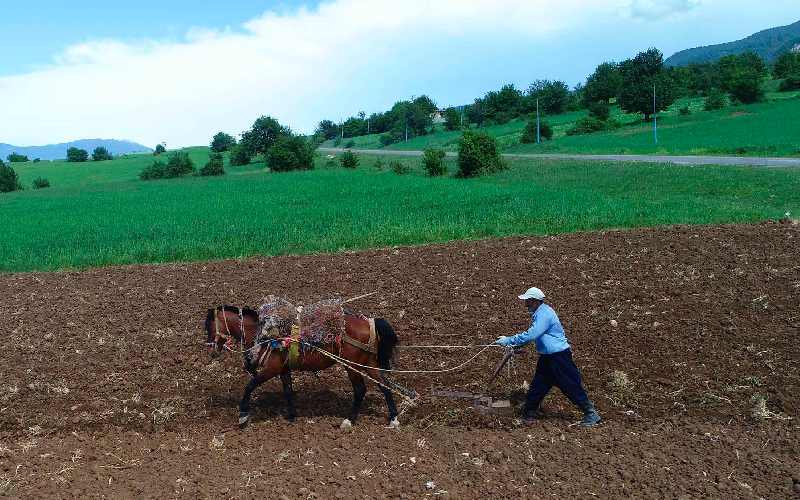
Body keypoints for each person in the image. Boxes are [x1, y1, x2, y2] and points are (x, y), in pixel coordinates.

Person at [495, 287, 601, 427]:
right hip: (547, 357)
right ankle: (528, 414)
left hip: (559, 357)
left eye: (527, 300)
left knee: (570, 385)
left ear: (533, 301)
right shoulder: (540, 312)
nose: (525, 303)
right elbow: (535, 336)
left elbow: (532, 335)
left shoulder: (544, 314)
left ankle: (591, 413)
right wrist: (515, 345)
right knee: (538, 386)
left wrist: (509, 340)